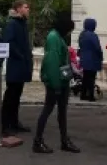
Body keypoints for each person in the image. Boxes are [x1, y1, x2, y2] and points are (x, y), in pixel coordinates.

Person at [33, 13, 80, 154]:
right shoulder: (54, 38)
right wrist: (56, 85)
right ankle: (38, 141)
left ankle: (64, 140)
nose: (70, 32)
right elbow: (52, 63)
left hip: (61, 81)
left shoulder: (57, 36)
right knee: (48, 110)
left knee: (61, 112)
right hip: (57, 82)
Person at [1, 0, 33, 135]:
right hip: (15, 65)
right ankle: (5, 125)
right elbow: (8, 42)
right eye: (26, 7)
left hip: (21, 65)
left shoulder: (22, 23)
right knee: (11, 96)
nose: (28, 10)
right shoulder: (12, 24)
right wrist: (20, 56)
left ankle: (14, 122)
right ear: (18, 8)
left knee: (17, 96)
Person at [78, 18, 103, 102]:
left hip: (84, 58)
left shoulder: (82, 34)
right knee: (91, 78)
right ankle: (91, 96)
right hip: (92, 59)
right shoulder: (93, 35)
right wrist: (100, 56)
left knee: (85, 78)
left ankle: (83, 94)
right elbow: (97, 48)